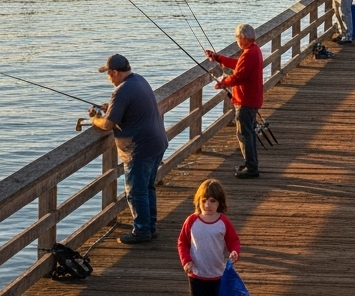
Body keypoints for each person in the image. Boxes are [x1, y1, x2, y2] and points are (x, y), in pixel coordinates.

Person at [88, 54, 169, 244]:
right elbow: (130, 107)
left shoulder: (121, 91)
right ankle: (150, 226)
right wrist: (112, 107)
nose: (108, 77)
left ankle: (141, 231)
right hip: (157, 143)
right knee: (147, 187)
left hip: (139, 149)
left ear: (115, 72)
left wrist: (94, 118)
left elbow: (107, 125)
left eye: (108, 73)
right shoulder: (139, 80)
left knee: (135, 192)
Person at [206, 24, 264, 179]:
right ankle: (250, 162)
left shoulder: (249, 54)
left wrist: (223, 83)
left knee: (244, 134)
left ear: (244, 38)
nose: (237, 40)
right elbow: (239, 66)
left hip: (246, 100)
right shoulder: (253, 51)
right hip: (251, 98)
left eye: (238, 38)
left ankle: (252, 167)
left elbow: (239, 76)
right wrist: (218, 58)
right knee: (248, 133)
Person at [177, 179, 241, 296]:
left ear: (219, 203)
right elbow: (183, 242)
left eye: (212, 201)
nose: (207, 205)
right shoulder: (191, 221)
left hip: (217, 274)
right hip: (196, 273)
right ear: (198, 201)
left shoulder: (223, 222)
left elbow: (233, 240)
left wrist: (234, 251)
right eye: (204, 201)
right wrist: (186, 260)